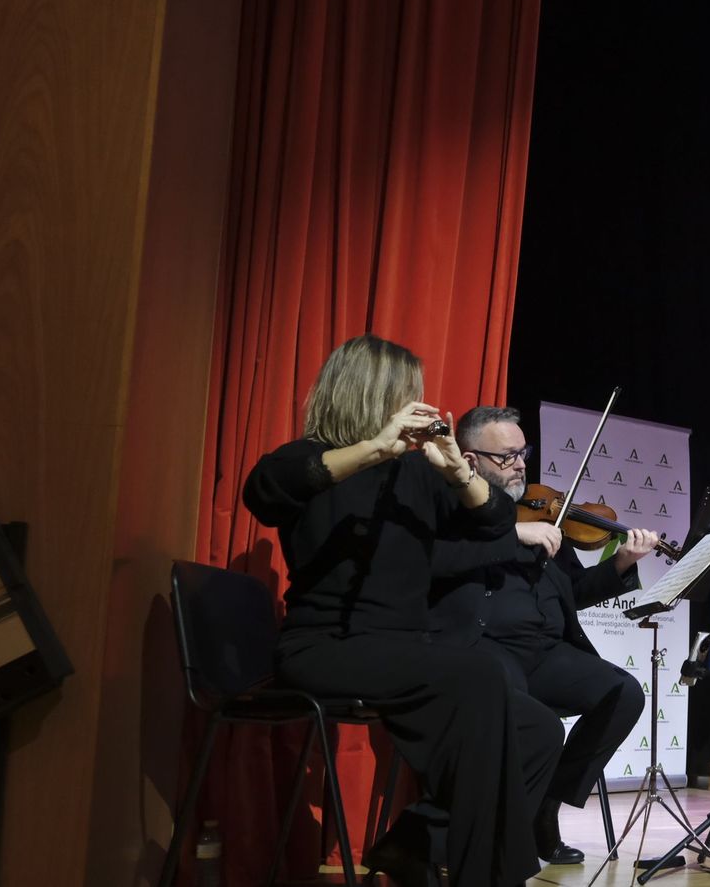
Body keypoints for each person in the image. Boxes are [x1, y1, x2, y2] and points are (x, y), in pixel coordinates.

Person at [241, 335, 562, 887]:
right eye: (407, 396)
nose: (420, 406)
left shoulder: (417, 475)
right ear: (373, 398)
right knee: (481, 672)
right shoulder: (307, 461)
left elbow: (493, 523)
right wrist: (377, 448)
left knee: (535, 727)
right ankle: (484, 877)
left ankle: (418, 844)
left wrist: (458, 470)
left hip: (403, 649)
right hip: (325, 648)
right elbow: (263, 493)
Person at [422, 406, 654, 865]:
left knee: (623, 693)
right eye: (507, 456)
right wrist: (512, 534)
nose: (521, 464)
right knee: (525, 714)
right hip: (484, 647)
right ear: (470, 460)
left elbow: (576, 591)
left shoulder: (547, 517)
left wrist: (622, 564)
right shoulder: (449, 506)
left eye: (522, 453)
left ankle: (546, 806)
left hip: (546, 651)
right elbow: (433, 561)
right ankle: (487, 839)